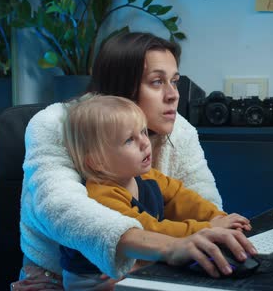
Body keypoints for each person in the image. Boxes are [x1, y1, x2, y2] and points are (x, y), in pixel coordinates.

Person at [15, 32, 255, 290]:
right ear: (120, 87)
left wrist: (217, 223)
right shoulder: (57, 123)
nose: (173, 94)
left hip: (151, 267)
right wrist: (166, 247)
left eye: (174, 81)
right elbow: (60, 206)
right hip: (64, 280)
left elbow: (197, 198)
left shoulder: (179, 129)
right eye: (156, 82)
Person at [59, 94, 251, 288]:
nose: (144, 143)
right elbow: (148, 229)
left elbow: (182, 198)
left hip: (137, 261)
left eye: (143, 132)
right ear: (97, 161)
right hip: (93, 280)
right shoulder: (100, 195)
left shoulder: (147, 176)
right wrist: (210, 229)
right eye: (129, 140)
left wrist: (217, 217)